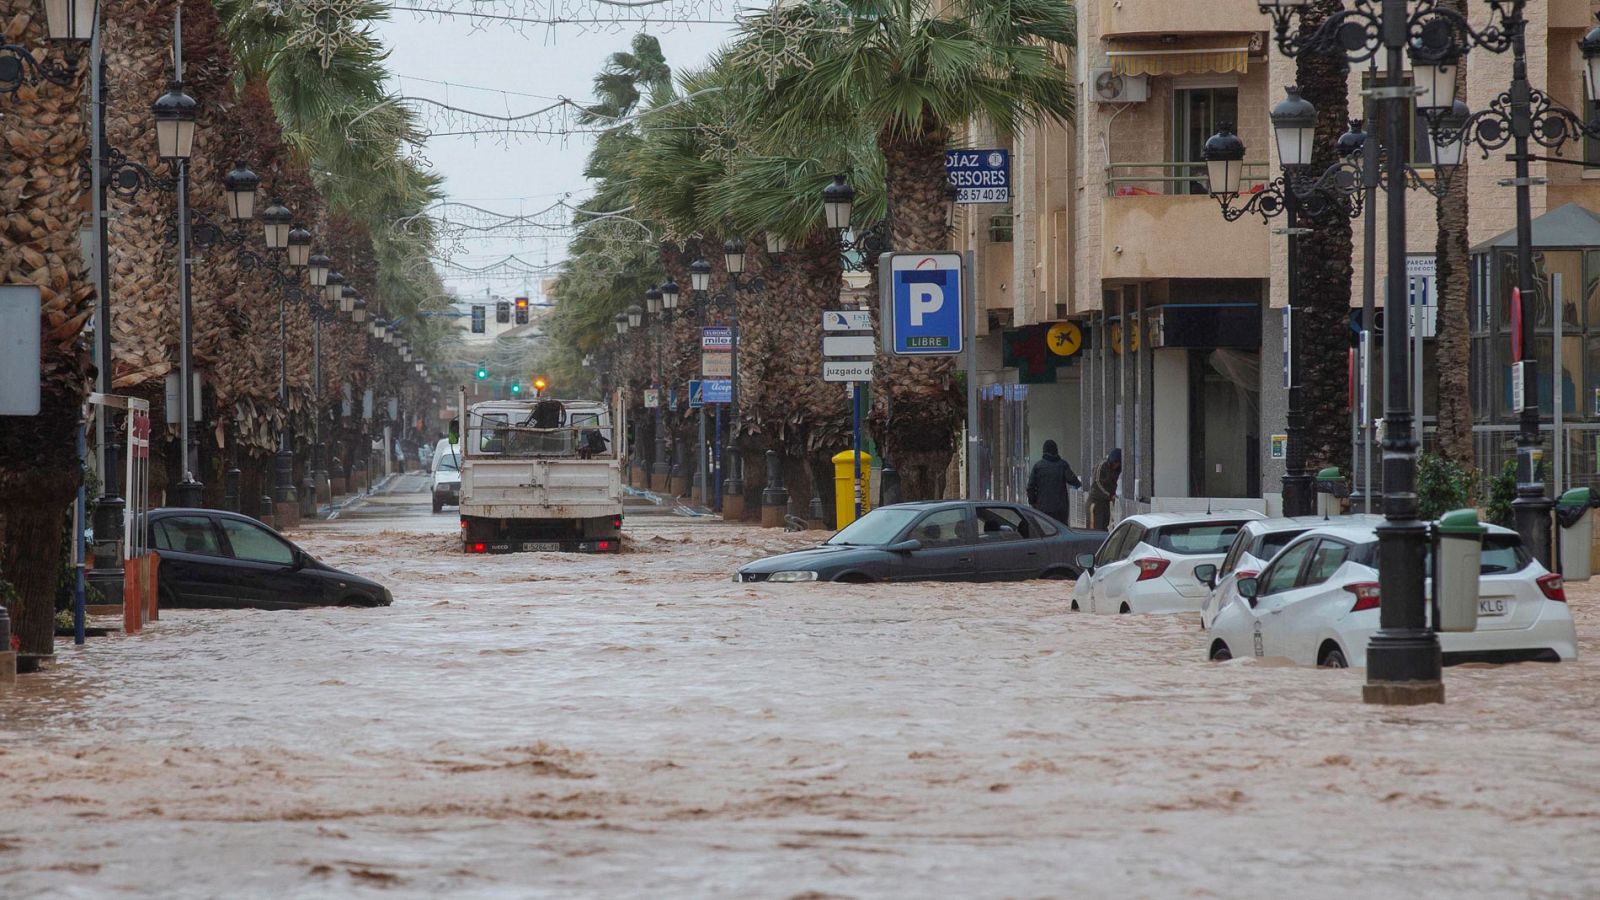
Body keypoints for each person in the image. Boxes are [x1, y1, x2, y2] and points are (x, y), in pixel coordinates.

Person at [1026, 439, 1081, 524]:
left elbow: (1030, 487)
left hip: (1043, 509)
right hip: (1060, 510)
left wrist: (1033, 502)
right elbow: (1073, 481)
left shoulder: (1038, 467)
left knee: (1045, 533)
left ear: (1044, 451)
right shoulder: (1063, 465)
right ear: (1056, 451)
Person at [1088, 448, 1122, 530]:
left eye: (1118, 463)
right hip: (1096, 500)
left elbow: (1113, 483)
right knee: (1095, 527)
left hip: (1106, 501)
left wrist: (1112, 494)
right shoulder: (1102, 466)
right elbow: (1097, 483)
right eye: (1115, 463)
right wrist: (1109, 495)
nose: (1116, 465)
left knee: (1104, 525)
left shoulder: (1117, 470)